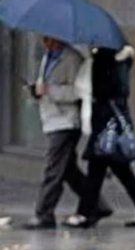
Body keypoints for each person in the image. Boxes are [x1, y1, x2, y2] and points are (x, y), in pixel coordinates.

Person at [24, 37, 112, 229]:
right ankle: (97, 204)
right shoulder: (48, 57)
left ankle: (44, 213)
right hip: (51, 118)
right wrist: (37, 90)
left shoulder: (72, 59)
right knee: (68, 169)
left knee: (53, 168)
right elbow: (45, 83)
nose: (46, 44)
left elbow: (78, 91)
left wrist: (50, 90)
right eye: (44, 40)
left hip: (66, 121)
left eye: (49, 39)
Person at [64, 45, 135, 228]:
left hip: (106, 123)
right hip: (115, 120)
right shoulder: (122, 61)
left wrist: (92, 69)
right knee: (121, 171)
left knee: (96, 169)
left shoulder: (104, 61)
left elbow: (102, 90)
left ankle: (85, 214)